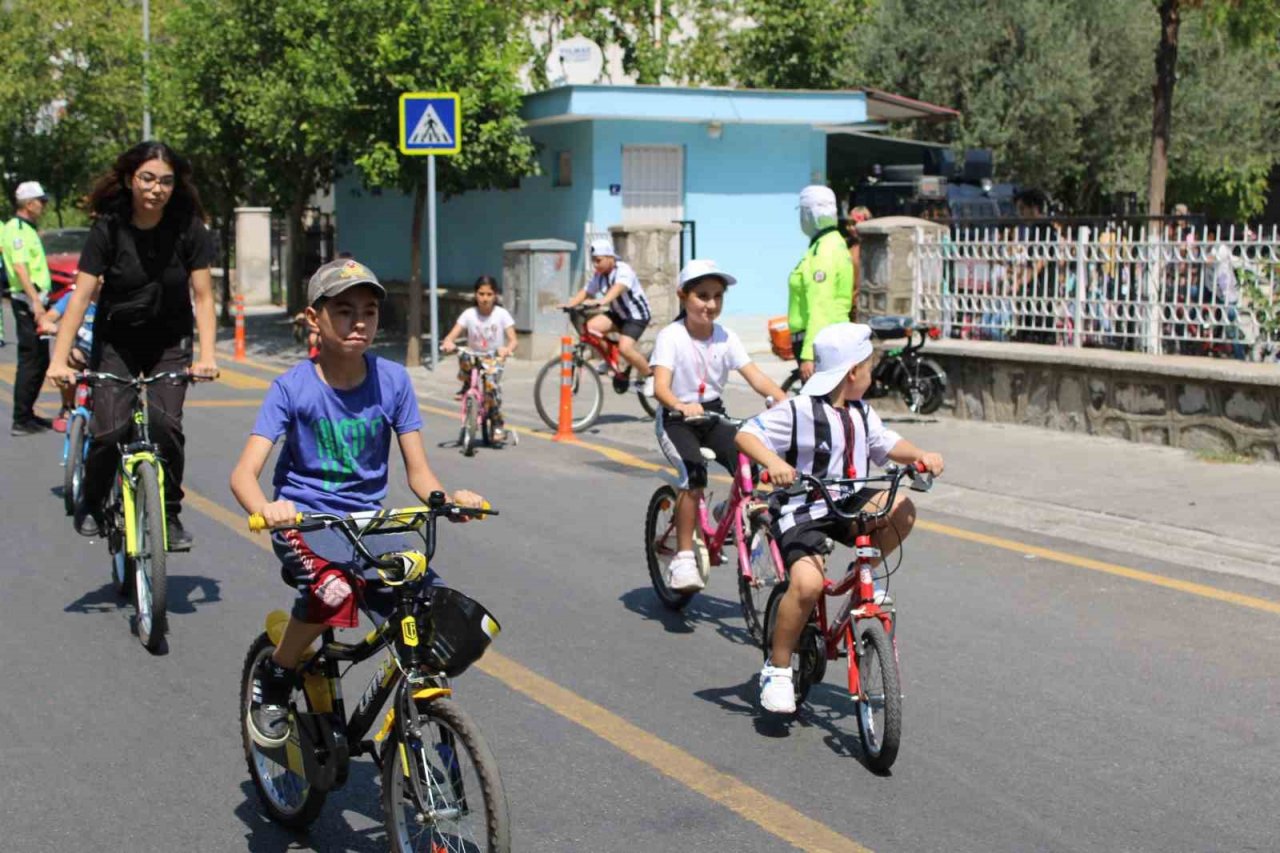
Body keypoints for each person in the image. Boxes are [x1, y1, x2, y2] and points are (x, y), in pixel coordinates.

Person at [229, 257, 485, 747]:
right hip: (307, 522)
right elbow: (243, 474)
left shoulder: (393, 381)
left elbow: (418, 472)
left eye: (368, 311)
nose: (359, 322)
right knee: (333, 591)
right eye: (345, 311)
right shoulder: (292, 388)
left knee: (429, 611)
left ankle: (421, 735)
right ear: (314, 318)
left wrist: (447, 500)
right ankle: (278, 676)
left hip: (369, 524)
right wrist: (268, 509)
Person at [736, 323, 945, 715]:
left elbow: (888, 443)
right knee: (808, 584)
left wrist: (921, 456)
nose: (872, 376)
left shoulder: (862, 412)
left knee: (900, 508)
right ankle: (778, 668)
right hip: (803, 510)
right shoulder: (799, 410)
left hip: (847, 502)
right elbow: (747, 435)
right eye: (869, 368)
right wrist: (774, 463)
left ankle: (862, 577)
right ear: (852, 372)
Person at [47, 142, 219, 551]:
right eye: (147, 178)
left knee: (166, 426)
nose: (157, 189)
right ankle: (92, 500)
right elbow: (81, 298)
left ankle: (169, 513)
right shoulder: (108, 229)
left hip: (169, 340)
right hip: (116, 342)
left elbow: (203, 297)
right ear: (129, 180)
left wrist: (208, 356)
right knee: (109, 431)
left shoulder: (188, 229)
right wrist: (59, 360)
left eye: (166, 181)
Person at [651, 259, 787, 592]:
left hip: (713, 415)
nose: (711, 304)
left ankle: (728, 509)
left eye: (717, 296)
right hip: (676, 418)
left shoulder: (726, 337)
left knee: (752, 461)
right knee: (694, 474)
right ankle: (684, 557)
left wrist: (785, 402)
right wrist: (680, 405)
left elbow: (756, 377)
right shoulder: (671, 336)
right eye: (702, 296)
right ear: (683, 296)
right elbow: (660, 387)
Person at [560, 238, 654, 394]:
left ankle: (650, 377)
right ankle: (610, 359)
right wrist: (570, 304)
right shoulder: (600, 275)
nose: (595, 265)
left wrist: (602, 300)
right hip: (618, 314)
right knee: (590, 328)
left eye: (598, 260)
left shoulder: (623, 270)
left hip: (636, 316)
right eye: (593, 261)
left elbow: (618, 287)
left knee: (625, 348)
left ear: (610, 257)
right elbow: (587, 291)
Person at [3, 181, 54, 435]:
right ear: (29, 203)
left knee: (41, 360)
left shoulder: (29, 229)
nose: (43, 206)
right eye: (40, 201)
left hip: (36, 300)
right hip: (27, 302)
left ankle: (28, 413)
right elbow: (20, 267)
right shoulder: (17, 229)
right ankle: (21, 419)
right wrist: (35, 301)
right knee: (31, 360)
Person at [788, 186, 853, 383]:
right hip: (830, 336)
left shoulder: (823, 251)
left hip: (819, 341)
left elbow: (820, 304)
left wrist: (809, 354)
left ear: (809, 214)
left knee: (819, 400)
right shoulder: (832, 243)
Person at [441, 274, 517, 442]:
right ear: (475, 294)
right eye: (481, 294)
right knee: (463, 353)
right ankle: (466, 386)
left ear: (495, 295)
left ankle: (497, 424)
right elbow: (451, 336)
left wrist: (506, 349)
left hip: (493, 358)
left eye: (489, 294)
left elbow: (513, 340)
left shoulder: (502, 314)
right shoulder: (469, 314)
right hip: (474, 356)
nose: (485, 298)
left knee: (491, 388)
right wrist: (448, 343)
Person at [38, 285, 97, 433]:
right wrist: (48, 324)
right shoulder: (74, 297)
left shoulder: (112, 301)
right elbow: (49, 316)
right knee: (71, 358)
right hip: (81, 354)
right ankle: (67, 407)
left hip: (105, 357)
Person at [843, 205, 872, 321]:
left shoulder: (870, 248)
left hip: (863, 307)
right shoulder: (847, 246)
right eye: (848, 224)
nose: (850, 228)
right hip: (849, 306)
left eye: (854, 224)